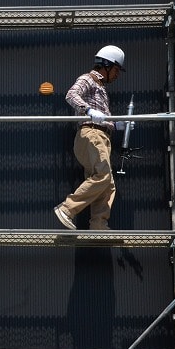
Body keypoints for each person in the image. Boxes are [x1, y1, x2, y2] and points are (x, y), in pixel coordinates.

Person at [54, 45, 125, 231]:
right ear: (107, 65)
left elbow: (103, 117)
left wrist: (115, 124)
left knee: (107, 184)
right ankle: (67, 209)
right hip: (92, 134)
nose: (117, 75)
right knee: (103, 176)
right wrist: (88, 110)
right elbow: (71, 95)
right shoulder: (89, 79)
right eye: (116, 69)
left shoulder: (100, 86)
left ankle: (98, 225)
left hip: (100, 135)